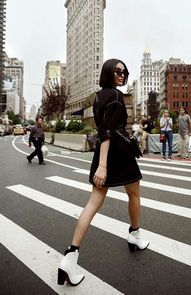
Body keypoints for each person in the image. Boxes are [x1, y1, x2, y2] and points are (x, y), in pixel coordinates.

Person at [57, 59, 149, 286]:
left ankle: (71, 255)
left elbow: (102, 131)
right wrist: (103, 166)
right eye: (117, 71)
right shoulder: (116, 96)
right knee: (134, 194)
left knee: (93, 203)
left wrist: (101, 161)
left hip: (104, 151)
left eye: (124, 71)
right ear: (108, 72)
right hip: (117, 153)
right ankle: (135, 235)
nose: (121, 74)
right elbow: (108, 131)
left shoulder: (98, 96)